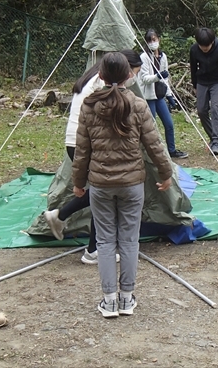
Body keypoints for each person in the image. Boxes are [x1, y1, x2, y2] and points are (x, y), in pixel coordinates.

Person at [71, 51, 173, 318]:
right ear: (130, 75)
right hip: (132, 185)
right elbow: (155, 146)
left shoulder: (89, 106)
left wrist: (78, 183)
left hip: (101, 186)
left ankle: (109, 301)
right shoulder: (138, 105)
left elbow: (82, 150)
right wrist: (166, 173)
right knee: (129, 241)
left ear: (101, 76)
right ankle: (127, 299)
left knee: (104, 243)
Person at [44, 49, 143, 264]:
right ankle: (91, 249)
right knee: (103, 190)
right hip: (83, 140)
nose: (132, 77)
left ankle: (63, 220)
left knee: (101, 190)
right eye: (133, 72)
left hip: (74, 139)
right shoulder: (103, 82)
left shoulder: (94, 75)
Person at [138, 29, 188, 159]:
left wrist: (169, 95)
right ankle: (152, 153)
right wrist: (157, 76)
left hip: (159, 94)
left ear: (158, 40)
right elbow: (144, 78)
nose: (153, 43)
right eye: (150, 41)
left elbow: (165, 78)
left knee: (169, 124)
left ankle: (172, 150)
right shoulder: (144, 57)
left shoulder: (163, 56)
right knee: (151, 126)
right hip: (149, 96)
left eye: (154, 40)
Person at [189, 27, 218, 155]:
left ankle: (215, 142)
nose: (204, 49)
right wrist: (195, 85)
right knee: (201, 110)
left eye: (207, 46)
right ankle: (212, 137)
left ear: (212, 42)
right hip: (202, 81)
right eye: (202, 46)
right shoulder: (194, 50)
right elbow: (193, 68)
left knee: (215, 108)